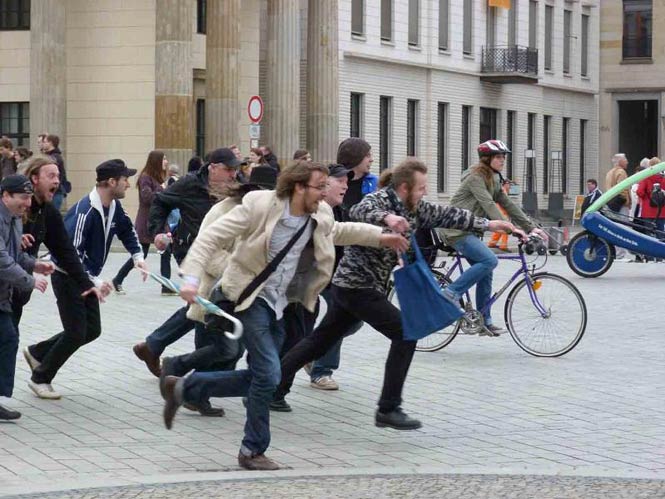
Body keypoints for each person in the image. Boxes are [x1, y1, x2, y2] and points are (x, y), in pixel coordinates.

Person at [161, 161, 409, 471]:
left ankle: (187, 387)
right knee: (268, 374)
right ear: (298, 187)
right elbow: (210, 238)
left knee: (263, 377)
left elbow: (339, 231)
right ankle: (252, 450)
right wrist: (192, 279)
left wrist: (381, 237)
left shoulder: (319, 214)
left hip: (280, 303)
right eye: (319, 187)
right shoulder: (259, 205)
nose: (324, 193)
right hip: (246, 297)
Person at [275, 158, 516, 434]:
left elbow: (450, 215)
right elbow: (361, 209)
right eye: (421, 187)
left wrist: (491, 224)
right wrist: (387, 218)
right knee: (405, 335)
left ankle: (272, 388)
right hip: (357, 286)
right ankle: (388, 408)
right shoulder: (379, 200)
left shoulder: (415, 208)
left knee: (319, 342)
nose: (424, 192)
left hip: (356, 288)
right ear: (404, 187)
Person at [158, 166, 279, 415]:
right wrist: (243, 269)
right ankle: (177, 367)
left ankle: (196, 394)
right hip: (215, 291)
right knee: (226, 348)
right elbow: (210, 251)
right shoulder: (228, 210)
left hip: (238, 294)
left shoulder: (262, 212)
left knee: (229, 350)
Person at [24, 159, 147, 399]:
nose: (128, 185)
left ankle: (38, 352)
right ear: (111, 182)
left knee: (92, 330)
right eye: (125, 180)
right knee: (75, 332)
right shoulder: (85, 211)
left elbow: (127, 230)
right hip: (67, 276)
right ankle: (41, 378)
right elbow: (71, 254)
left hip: (84, 278)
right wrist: (94, 282)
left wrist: (138, 256)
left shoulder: (113, 207)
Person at [132, 148, 240, 388]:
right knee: (204, 304)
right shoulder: (189, 184)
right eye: (229, 169)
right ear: (212, 167)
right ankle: (196, 374)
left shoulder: (237, 185)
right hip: (193, 252)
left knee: (201, 305)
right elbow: (160, 201)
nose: (234, 174)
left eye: (236, 169)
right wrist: (158, 231)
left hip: (222, 254)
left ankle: (155, 347)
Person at [271, 163, 355, 411]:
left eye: (346, 182)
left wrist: (380, 236)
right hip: (287, 290)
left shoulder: (334, 212)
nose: (345, 186)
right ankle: (270, 389)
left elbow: (344, 232)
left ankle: (274, 388)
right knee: (294, 341)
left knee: (301, 340)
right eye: (339, 182)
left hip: (311, 289)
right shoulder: (303, 212)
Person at [442, 140, 541, 336]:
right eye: (498, 157)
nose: (503, 160)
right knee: (489, 260)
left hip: (471, 231)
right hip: (455, 230)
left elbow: (508, 204)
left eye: (504, 156)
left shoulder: (493, 178)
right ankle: (451, 293)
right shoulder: (475, 177)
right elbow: (489, 206)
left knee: (486, 270)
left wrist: (532, 228)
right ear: (487, 159)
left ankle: (484, 321)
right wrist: (512, 230)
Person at [0, 175, 54, 420]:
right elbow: (2, 262)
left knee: (8, 338)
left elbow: (15, 255)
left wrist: (35, 265)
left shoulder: (14, 219)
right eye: (23, 197)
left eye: (30, 197)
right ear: (6, 196)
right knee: (8, 337)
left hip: (2, 295)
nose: (28, 203)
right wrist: (30, 280)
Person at [111, 151, 172, 295]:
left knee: (166, 250)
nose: (166, 162)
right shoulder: (146, 177)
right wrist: (163, 193)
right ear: (156, 161)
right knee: (140, 253)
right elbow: (146, 197)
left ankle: (166, 285)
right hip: (147, 221)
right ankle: (118, 279)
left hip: (159, 220)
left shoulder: (158, 178)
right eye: (164, 159)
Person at [605, 153, 631, 261]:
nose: (627, 162)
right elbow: (623, 188)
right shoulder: (621, 172)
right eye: (625, 160)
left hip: (611, 203)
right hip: (620, 204)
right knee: (623, 228)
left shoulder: (609, 172)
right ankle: (621, 254)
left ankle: (615, 252)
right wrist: (627, 201)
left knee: (614, 228)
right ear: (620, 161)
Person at [637, 157, 665, 234]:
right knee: (661, 233)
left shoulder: (646, 178)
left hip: (648, 211)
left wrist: (646, 196)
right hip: (661, 211)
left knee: (648, 234)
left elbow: (639, 192)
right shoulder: (663, 179)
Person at [42, 134, 69, 210]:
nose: (42, 144)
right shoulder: (51, 156)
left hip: (55, 192)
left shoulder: (54, 158)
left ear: (50, 143)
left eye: (45, 142)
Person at [487, 179, 513, 252]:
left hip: (500, 212)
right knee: (507, 229)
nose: (510, 186)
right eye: (509, 184)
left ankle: (492, 243)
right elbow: (505, 204)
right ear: (505, 184)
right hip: (503, 213)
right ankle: (503, 245)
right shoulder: (504, 191)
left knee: (500, 228)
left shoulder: (503, 191)